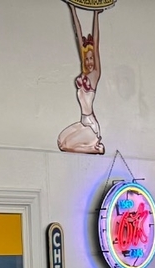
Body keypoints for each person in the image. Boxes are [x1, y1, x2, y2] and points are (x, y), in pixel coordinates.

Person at [57, 2, 105, 155]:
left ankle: (95, 148)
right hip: (83, 121)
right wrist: (72, 9)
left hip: (91, 126)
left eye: (91, 59)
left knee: (65, 146)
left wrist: (96, 15)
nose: (89, 62)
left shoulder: (95, 75)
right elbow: (78, 35)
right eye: (87, 59)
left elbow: (96, 44)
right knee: (60, 142)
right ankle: (93, 146)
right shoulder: (83, 74)